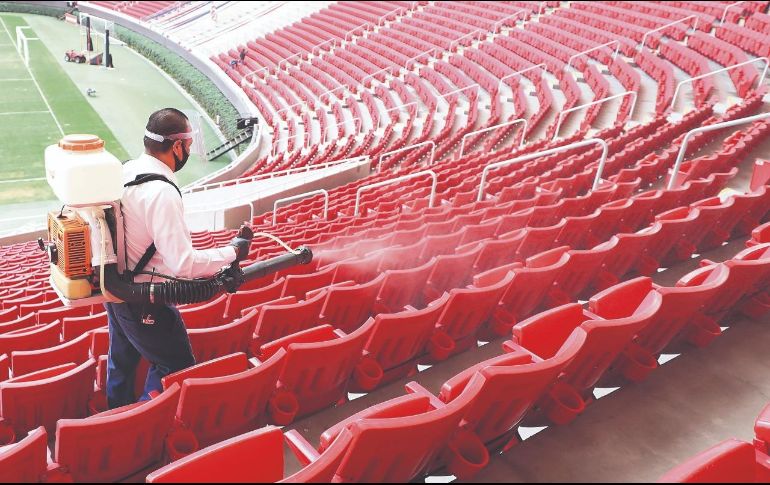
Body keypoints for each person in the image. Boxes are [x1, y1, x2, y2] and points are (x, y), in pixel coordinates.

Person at [105, 108, 250, 409]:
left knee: (122, 360)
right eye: (188, 143)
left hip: (117, 290)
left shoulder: (126, 170)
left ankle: (115, 411)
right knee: (176, 365)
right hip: (146, 299)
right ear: (176, 147)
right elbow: (183, 264)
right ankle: (135, 426)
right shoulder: (162, 193)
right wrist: (232, 252)